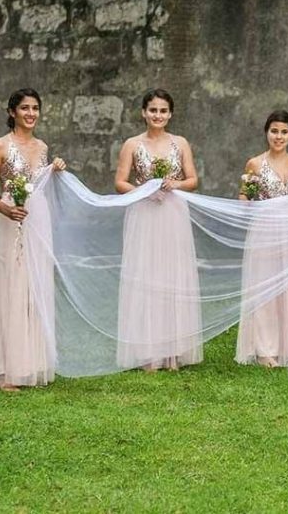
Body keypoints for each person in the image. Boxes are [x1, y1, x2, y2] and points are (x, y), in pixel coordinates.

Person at [0, 88, 65, 390]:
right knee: (11, 287)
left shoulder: (42, 146)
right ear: (12, 112)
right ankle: (4, 370)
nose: (31, 113)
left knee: (33, 289)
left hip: (38, 219)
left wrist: (55, 170)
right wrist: (5, 209)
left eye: (35, 108)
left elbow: (40, 185)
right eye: (25, 108)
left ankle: (29, 365)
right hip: (11, 219)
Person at [114, 88, 203, 371]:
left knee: (173, 275)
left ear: (170, 114)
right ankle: (148, 351)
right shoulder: (132, 144)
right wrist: (144, 191)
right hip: (144, 213)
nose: (158, 115)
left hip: (173, 213)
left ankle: (172, 351)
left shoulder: (180, 143)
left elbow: (193, 179)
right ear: (144, 112)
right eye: (153, 110)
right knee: (146, 274)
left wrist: (175, 184)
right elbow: (120, 182)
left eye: (163, 111)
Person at [236, 110, 288, 367]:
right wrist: (248, 202)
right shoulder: (255, 163)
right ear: (266, 132)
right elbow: (243, 197)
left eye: (284, 132)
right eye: (274, 131)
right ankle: (265, 349)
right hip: (265, 229)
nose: (278, 137)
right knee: (265, 287)